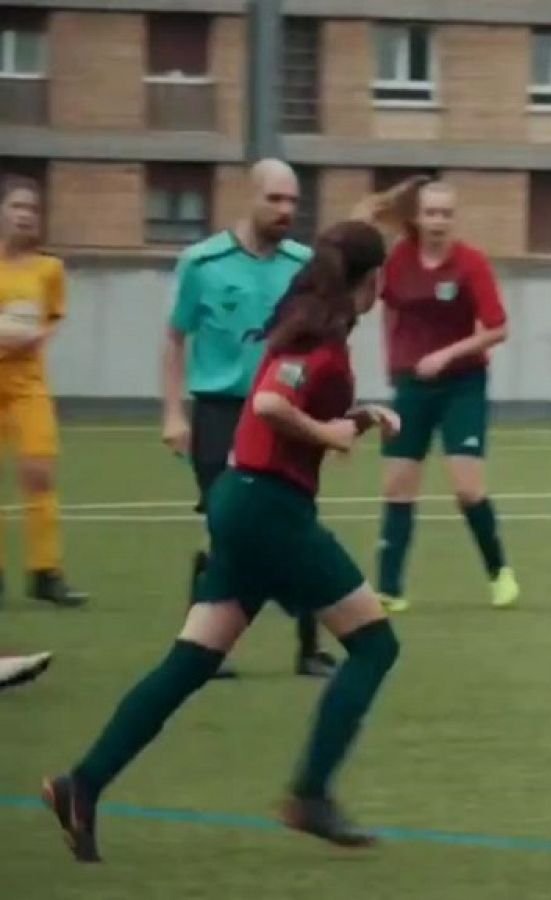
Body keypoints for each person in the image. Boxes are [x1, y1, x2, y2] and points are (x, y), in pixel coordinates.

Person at [42, 220, 402, 863]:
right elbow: (268, 405)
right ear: (370, 279)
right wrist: (330, 435)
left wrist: (359, 418)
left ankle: (81, 785)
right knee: (376, 645)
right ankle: (311, 794)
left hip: (245, 499)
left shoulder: (308, 320)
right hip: (270, 509)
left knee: (191, 662)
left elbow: (292, 407)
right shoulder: (318, 335)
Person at [160, 160, 336, 678]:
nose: (285, 211)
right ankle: (206, 649)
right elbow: (174, 340)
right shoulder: (201, 262)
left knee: (293, 523)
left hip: (283, 413)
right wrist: (173, 413)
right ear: (250, 197)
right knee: (229, 525)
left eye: (293, 202)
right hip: (219, 411)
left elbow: (319, 343)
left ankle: (309, 649)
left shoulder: (305, 266)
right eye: (275, 200)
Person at [372, 180, 518, 612]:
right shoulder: (397, 259)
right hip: (412, 386)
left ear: (454, 218)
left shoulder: (471, 263)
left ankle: (500, 573)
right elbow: (382, 303)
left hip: (463, 386)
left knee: (467, 489)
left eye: (446, 214)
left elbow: (498, 328)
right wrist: (392, 362)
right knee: (397, 485)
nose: (439, 222)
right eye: (431, 213)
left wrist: (447, 354)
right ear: (417, 217)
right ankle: (389, 589)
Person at [0, 176, 87, 607]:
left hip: (28, 382)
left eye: (33, 209)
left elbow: (53, 317)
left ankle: (45, 572)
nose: (25, 216)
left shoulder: (48, 269)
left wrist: (37, 337)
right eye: (18, 206)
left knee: (39, 471)